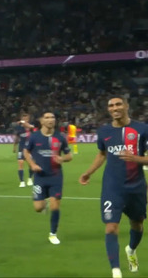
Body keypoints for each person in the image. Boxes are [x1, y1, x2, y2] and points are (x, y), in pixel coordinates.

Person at [79, 96, 147, 278]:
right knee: (110, 227)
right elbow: (102, 154)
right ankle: (116, 271)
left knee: (138, 224)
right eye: (111, 105)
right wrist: (89, 172)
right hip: (112, 187)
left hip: (136, 186)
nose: (114, 108)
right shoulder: (104, 131)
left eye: (118, 104)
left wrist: (137, 159)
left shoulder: (142, 129)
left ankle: (131, 250)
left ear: (126, 106)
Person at [24, 111, 72, 245]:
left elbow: (69, 156)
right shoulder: (34, 137)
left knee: (55, 206)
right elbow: (26, 151)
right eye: (47, 117)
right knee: (38, 208)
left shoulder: (60, 137)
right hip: (40, 177)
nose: (50, 120)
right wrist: (32, 164)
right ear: (41, 121)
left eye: (52, 117)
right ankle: (42, 204)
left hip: (56, 177)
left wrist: (62, 158)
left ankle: (53, 233)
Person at [13, 113, 34, 187]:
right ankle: (22, 181)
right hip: (21, 148)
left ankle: (30, 179)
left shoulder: (31, 126)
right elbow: (16, 138)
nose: (25, 120)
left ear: (28, 119)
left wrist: (23, 122)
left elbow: (29, 126)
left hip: (30, 149)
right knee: (21, 163)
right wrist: (14, 147)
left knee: (31, 164)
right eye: (23, 119)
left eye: (26, 119)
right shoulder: (19, 128)